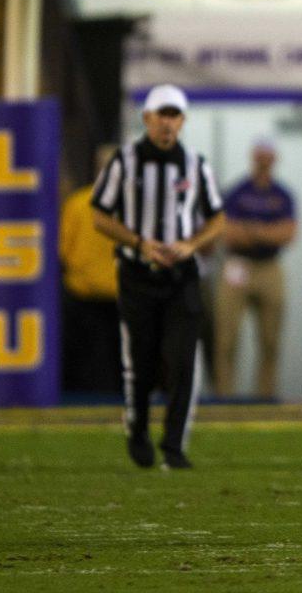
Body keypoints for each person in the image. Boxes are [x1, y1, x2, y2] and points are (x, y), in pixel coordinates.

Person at [90, 84, 225, 470]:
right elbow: (99, 214)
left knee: (183, 360)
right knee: (141, 362)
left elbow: (217, 218)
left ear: (182, 121)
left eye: (174, 115)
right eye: (161, 115)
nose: (167, 123)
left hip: (181, 276)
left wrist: (191, 244)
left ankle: (174, 445)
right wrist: (138, 242)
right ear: (147, 118)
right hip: (137, 272)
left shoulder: (196, 164)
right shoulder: (125, 162)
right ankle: (137, 432)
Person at [214, 138, 297, 400]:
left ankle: (265, 396)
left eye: (267, 155)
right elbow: (227, 233)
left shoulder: (282, 195)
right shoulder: (237, 191)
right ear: (253, 157)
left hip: (269, 267)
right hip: (238, 266)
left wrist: (251, 230)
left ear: (274, 159)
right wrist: (266, 232)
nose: (263, 160)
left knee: (270, 339)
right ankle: (224, 396)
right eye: (259, 155)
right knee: (226, 337)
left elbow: (288, 233)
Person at [59, 145, 122, 394]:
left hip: (110, 298)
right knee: (99, 365)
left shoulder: (79, 202)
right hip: (87, 298)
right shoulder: (78, 204)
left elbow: (62, 251)